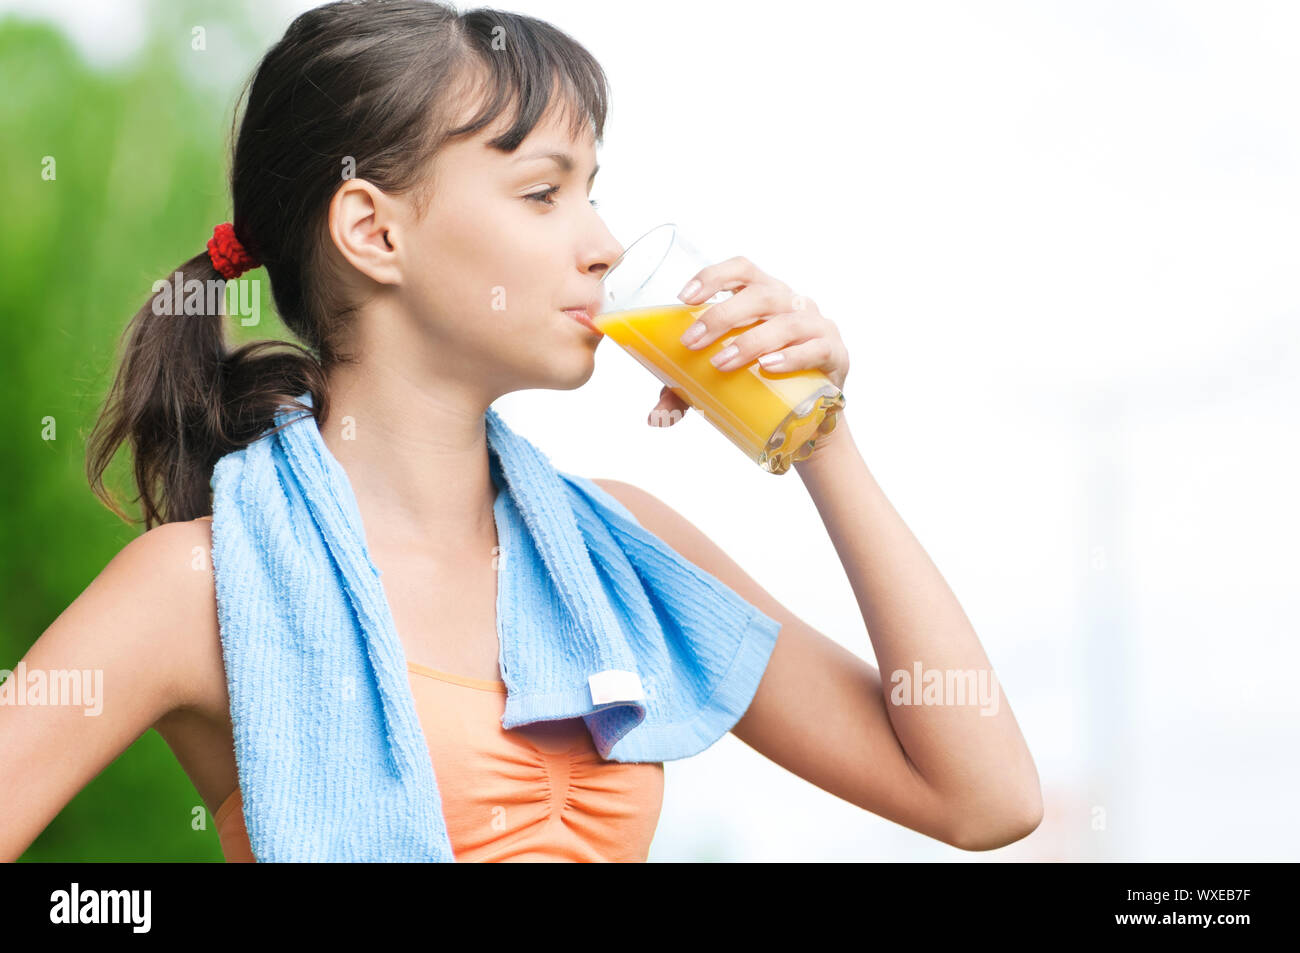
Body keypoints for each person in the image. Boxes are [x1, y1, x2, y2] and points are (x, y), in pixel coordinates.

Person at [1, 0, 1042, 862]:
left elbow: (982, 797)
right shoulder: (201, 582)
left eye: (594, 191)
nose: (603, 245)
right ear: (374, 230)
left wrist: (821, 437)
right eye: (543, 192)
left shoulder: (620, 549)